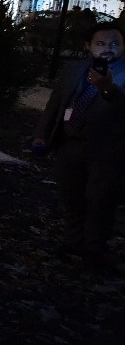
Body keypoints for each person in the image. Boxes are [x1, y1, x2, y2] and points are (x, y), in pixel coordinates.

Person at [33, 22, 125, 271]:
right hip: (70, 144)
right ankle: (74, 241)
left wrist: (107, 89)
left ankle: (95, 249)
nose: (109, 49)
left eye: (115, 43)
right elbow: (55, 105)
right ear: (88, 46)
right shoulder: (74, 70)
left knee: (100, 200)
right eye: (102, 43)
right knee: (71, 195)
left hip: (108, 149)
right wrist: (41, 136)